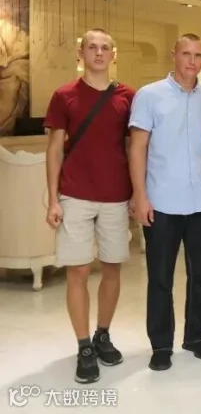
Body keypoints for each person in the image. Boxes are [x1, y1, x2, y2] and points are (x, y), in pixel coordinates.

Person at [44, 28, 135, 384]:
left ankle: (103, 334)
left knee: (112, 268)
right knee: (78, 271)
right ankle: (84, 346)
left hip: (116, 195)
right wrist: (52, 198)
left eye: (105, 47)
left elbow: (134, 148)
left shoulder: (128, 96)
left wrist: (138, 193)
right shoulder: (64, 95)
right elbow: (54, 149)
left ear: (114, 54)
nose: (99, 53)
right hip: (75, 194)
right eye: (92, 47)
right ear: (80, 53)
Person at [128, 33, 201, 372]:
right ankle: (161, 344)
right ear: (174, 55)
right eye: (186, 54)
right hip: (162, 201)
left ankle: (196, 336)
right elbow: (137, 148)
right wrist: (140, 194)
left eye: (198, 55)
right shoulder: (149, 95)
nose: (192, 61)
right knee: (160, 277)